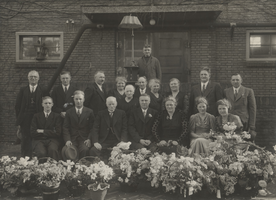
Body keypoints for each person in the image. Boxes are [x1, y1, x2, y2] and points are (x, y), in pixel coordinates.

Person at [15, 70, 48, 158]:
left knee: (38, 137)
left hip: (38, 118)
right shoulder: (23, 90)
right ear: (28, 78)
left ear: (38, 78)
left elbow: (47, 104)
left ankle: (38, 157)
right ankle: (25, 158)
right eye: (31, 77)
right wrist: (19, 119)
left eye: (35, 77)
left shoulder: (43, 90)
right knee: (25, 138)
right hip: (25, 118)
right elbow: (17, 106)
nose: (33, 78)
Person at [63, 90, 95, 159]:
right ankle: (72, 167)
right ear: (73, 100)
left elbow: (92, 128)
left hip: (84, 138)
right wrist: (68, 140)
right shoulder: (69, 112)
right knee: (70, 151)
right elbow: (65, 127)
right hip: (72, 138)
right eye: (76, 99)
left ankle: (83, 166)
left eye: (80, 99)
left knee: (85, 149)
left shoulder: (89, 112)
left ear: (84, 100)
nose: (78, 101)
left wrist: (89, 139)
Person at [224, 74, 257, 138]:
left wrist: (252, 125)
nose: (235, 81)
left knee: (242, 141)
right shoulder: (226, 91)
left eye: (237, 80)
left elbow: (252, 109)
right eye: (233, 80)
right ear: (231, 81)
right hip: (230, 122)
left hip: (243, 122)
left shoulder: (248, 91)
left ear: (241, 81)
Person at [31, 96, 61, 160]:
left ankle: (55, 168)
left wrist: (42, 131)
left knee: (53, 150)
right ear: (42, 104)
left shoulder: (57, 116)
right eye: (46, 103)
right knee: (41, 153)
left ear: (52, 104)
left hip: (52, 140)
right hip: (39, 140)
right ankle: (42, 168)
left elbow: (58, 133)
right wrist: (51, 132)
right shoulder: (36, 116)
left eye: (49, 103)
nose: (47, 105)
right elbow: (33, 132)